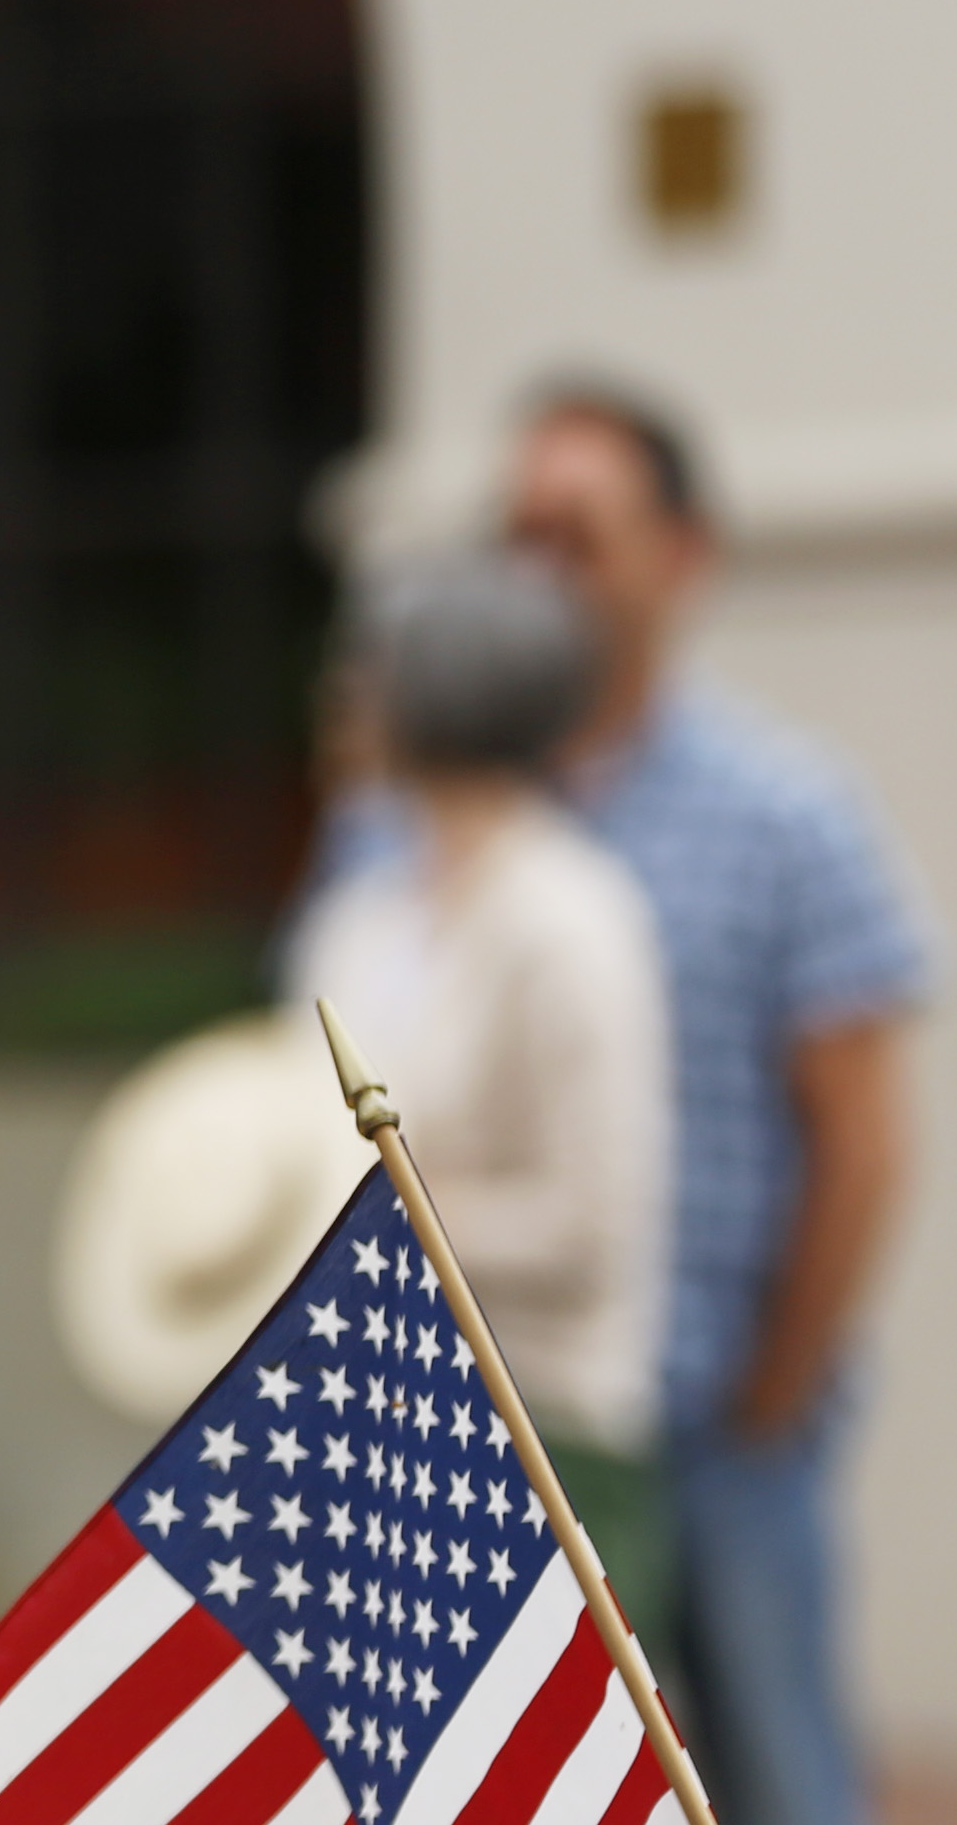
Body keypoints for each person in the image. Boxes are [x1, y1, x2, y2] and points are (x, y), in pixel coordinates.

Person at [501, 381, 928, 1825]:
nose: (540, 564)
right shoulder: (442, 816)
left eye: (580, 529)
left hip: (721, 1419)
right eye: (517, 531)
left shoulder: (788, 810)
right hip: (517, 1430)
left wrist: (772, 1386)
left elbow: (865, 1132)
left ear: (681, 552)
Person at [280, 553, 674, 1601]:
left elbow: (593, 1225)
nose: (341, 697)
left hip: (540, 1435)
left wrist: (370, 1216)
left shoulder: (570, 917)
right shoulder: (360, 913)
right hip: (366, 1425)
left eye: (370, 670)